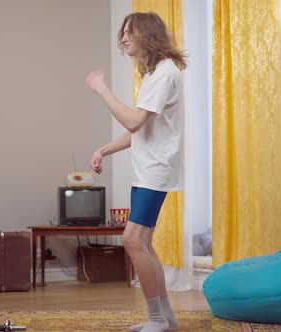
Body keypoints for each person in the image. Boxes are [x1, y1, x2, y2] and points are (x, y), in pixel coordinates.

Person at [85, 12, 186, 332]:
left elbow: (132, 121)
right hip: (148, 171)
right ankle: (165, 316)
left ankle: (156, 318)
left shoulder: (164, 74)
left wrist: (102, 90)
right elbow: (138, 130)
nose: (123, 38)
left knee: (132, 240)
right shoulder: (156, 74)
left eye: (130, 32)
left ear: (148, 34)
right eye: (122, 33)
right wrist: (104, 150)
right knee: (143, 243)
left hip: (155, 171)